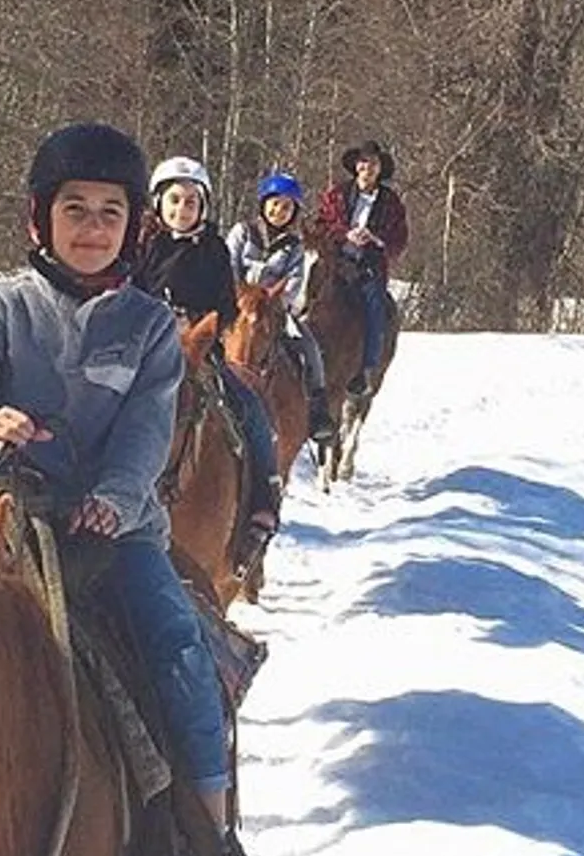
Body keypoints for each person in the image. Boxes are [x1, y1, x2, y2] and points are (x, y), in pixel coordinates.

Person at [0, 121, 286, 856]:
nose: (92, 227)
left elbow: (146, 435)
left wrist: (117, 501)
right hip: (3, 517)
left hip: (114, 532)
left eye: (109, 212)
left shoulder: (151, 327)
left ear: (136, 226)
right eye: (75, 209)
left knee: (178, 649)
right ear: (38, 218)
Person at [134, 154, 283, 570]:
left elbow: (226, 305)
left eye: (192, 203)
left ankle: (262, 503)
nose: (183, 210)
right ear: (159, 202)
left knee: (250, 408)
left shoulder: (214, 249)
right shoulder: (140, 246)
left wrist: (201, 323)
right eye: (175, 201)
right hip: (142, 353)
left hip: (199, 353)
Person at [225, 169, 336, 445]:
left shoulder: (294, 246)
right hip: (236, 302)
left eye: (287, 207)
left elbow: (295, 281)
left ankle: (318, 409)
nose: (279, 211)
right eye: (275, 204)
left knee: (307, 344)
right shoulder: (243, 232)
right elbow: (227, 265)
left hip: (273, 308)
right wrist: (237, 294)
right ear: (264, 204)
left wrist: (278, 304)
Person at [313, 138, 409, 398]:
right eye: (364, 162)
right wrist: (345, 235)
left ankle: (366, 368)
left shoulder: (391, 203)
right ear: (356, 166)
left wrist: (377, 240)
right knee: (309, 297)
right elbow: (320, 226)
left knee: (376, 306)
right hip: (336, 262)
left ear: (380, 169)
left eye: (373, 163)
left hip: (369, 266)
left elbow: (399, 239)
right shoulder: (337, 195)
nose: (368, 168)